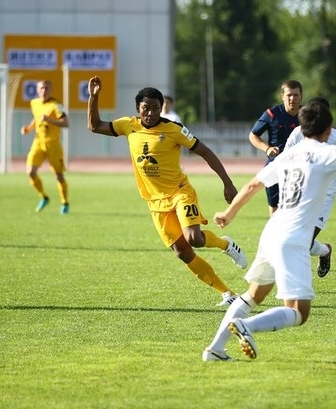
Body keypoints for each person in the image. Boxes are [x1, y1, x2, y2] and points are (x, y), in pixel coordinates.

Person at [202, 101, 336, 361]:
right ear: (328, 129)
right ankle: (247, 326)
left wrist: (229, 213)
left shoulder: (288, 155)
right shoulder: (325, 153)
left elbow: (253, 185)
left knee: (253, 296)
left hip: (272, 231)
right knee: (299, 312)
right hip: (292, 239)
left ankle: (215, 349)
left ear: (301, 128)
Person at [86, 76, 246, 306]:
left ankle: (226, 245)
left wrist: (227, 183)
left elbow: (205, 152)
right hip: (155, 202)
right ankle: (228, 293)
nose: (151, 113)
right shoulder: (127, 125)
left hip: (180, 193)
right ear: (138, 108)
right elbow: (94, 126)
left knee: (194, 239)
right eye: (146, 108)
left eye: (155, 108)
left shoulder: (173, 129)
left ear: (162, 108)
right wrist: (94, 97)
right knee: (182, 252)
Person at [284, 97, 336, 278]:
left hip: (324, 196)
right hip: (300, 193)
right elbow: (286, 159)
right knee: (293, 239)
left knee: (303, 242)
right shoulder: (297, 133)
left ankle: (296, 283)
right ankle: (325, 251)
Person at [248, 80, 303, 216]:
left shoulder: (307, 116)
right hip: (276, 167)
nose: (292, 98)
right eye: (289, 95)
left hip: (301, 169)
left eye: (296, 95)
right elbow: (253, 135)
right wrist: (267, 149)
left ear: (301, 96)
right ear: (282, 96)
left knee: (298, 212)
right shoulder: (272, 114)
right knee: (275, 212)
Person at [20, 80, 70, 214]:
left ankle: (64, 203)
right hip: (38, 142)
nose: (44, 91)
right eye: (41, 88)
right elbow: (37, 118)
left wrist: (49, 120)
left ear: (50, 90)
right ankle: (43, 197)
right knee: (30, 172)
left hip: (53, 144)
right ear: (37, 90)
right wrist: (28, 128)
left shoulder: (56, 105)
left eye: (46, 88)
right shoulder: (34, 103)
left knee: (59, 175)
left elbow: (66, 123)